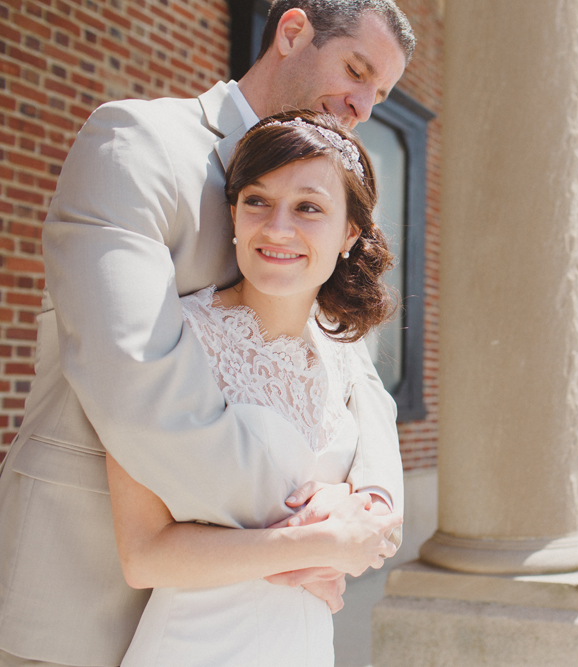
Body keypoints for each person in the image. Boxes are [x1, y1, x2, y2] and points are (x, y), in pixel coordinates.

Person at [0, 2, 415, 666]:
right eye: (357, 70)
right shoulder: (137, 142)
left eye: (383, 94)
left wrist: (369, 505)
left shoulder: (330, 190)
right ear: (291, 33)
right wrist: (315, 532)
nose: (364, 105)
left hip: (269, 616)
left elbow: (361, 383)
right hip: (89, 586)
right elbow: (134, 382)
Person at [112, 110, 399, 666]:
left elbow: (370, 496)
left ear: (349, 234)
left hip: (304, 643)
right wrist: (317, 544)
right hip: (196, 646)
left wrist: (348, 510)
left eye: (309, 208)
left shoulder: (343, 353)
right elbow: (143, 554)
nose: (277, 228)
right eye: (257, 201)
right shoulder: (174, 341)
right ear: (235, 215)